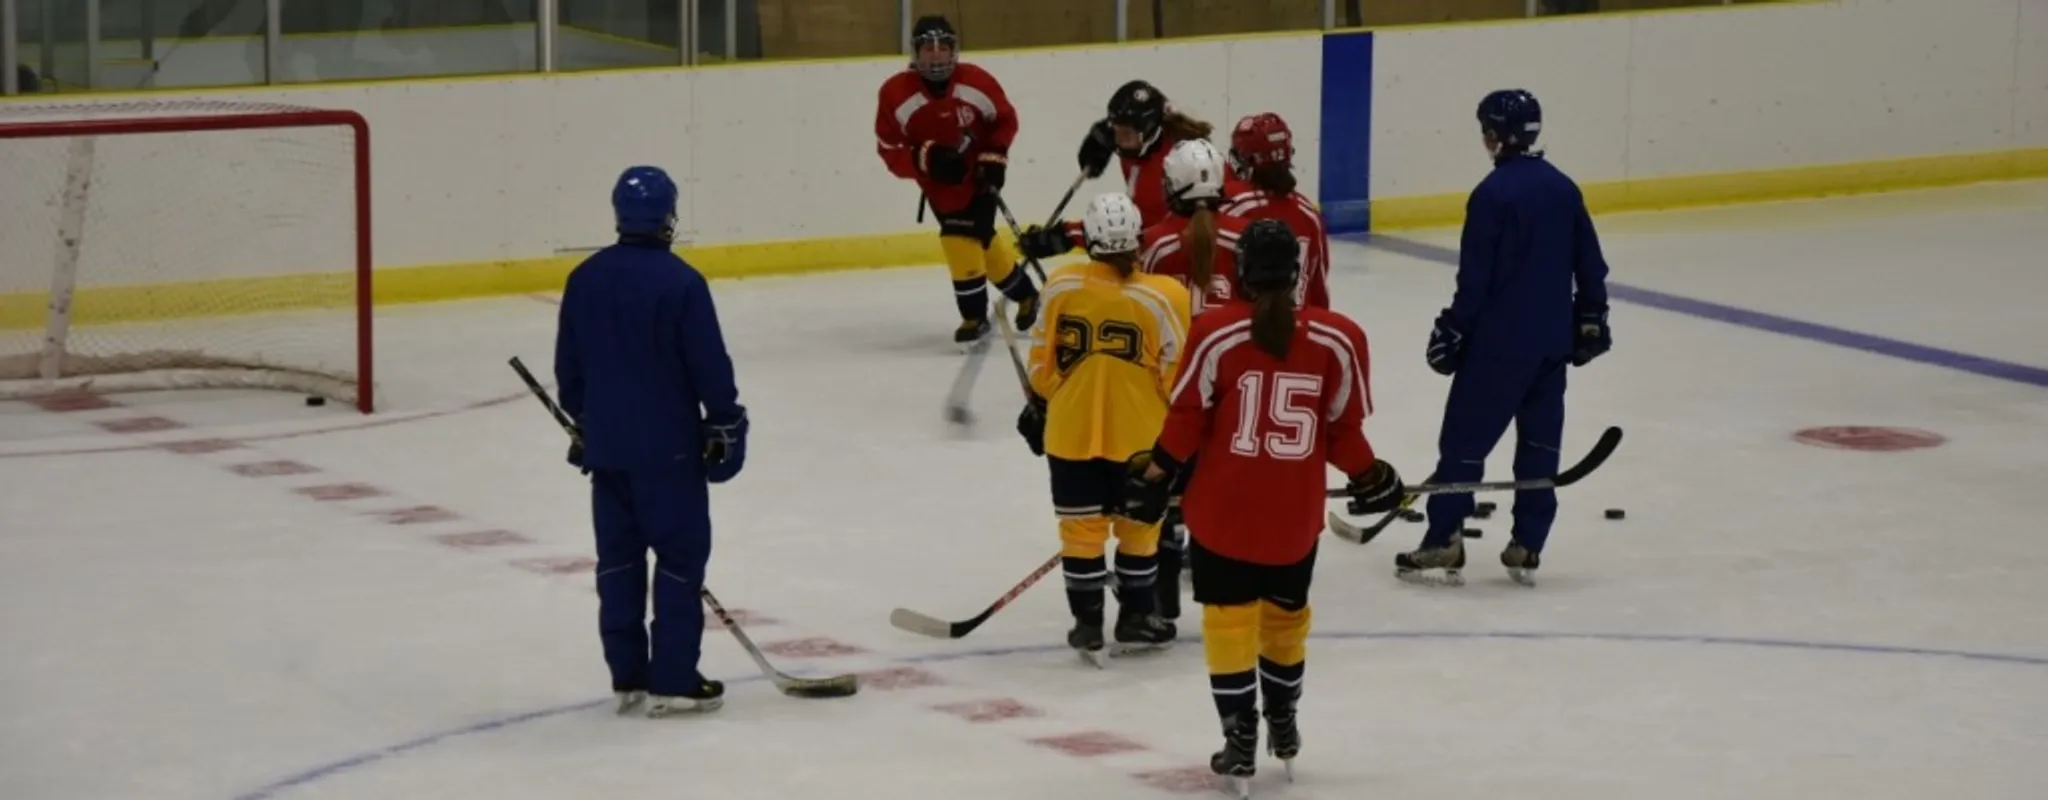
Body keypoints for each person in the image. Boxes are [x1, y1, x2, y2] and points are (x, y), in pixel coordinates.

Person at [1121, 218, 1404, 793]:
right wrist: (1375, 477)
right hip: (1293, 519)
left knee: (1229, 622)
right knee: (1284, 619)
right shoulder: (1339, 336)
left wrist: (1154, 474)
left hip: (1221, 513)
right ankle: (1284, 717)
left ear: (1241, 272)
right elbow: (1343, 436)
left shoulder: (1215, 331)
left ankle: (1239, 737)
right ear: (1297, 273)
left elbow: (1185, 422)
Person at [553, 165, 750, 718]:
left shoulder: (584, 277)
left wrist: (587, 422)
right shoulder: (682, 282)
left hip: (609, 450)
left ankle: (628, 676)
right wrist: (727, 422)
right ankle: (673, 677)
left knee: (617, 560)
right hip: (670, 450)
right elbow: (710, 366)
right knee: (679, 559)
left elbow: (569, 372)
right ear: (668, 216)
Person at [1400, 89, 1611, 587]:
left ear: (1496, 133)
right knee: (1540, 442)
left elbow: (1475, 281)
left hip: (1498, 346)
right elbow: (1591, 265)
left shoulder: (1493, 194)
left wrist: (1452, 328)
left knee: (1464, 443)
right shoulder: (1563, 188)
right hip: (1551, 343)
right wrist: (1591, 318)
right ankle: (1528, 542)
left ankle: (1444, 538)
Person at [1014, 192, 1192, 665]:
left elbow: (1040, 363)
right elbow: (1178, 377)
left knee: (1080, 530)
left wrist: (1047, 401)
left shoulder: (1060, 284)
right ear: (1136, 240)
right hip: (1140, 437)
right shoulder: (1166, 294)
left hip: (1070, 433)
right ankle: (1135, 616)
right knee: (1139, 529)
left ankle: (1087, 623)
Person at [1131, 137, 1250, 625]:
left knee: (1164, 486)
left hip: (1173, 390)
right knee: (1220, 486)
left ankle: (1160, 602)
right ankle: (1223, 582)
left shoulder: (1155, 241)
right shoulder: (1247, 236)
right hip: (1232, 385)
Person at [873, 14, 1039, 348]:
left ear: (954, 51)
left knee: (960, 238)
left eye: (943, 48)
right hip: (939, 187)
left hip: (979, 179)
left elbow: (1005, 120)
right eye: (928, 49)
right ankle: (1026, 294)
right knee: (983, 239)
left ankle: (973, 315)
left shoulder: (977, 82)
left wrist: (993, 157)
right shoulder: (895, 93)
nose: (936, 56)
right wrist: (926, 159)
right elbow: (890, 149)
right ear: (915, 54)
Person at [1013, 82, 1217, 265]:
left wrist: (1067, 236)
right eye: (1116, 131)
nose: (1118, 141)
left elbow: (1131, 238)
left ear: (1150, 130)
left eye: (1125, 134)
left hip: (1176, 259)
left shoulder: (1174, 168)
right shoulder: (1143, 142)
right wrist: (1104, 132)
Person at [1221, 112, 1330, 310]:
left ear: (1250, 160)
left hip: (1239, 330)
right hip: (1294, 329)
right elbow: (1318, 291)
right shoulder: (1309, 214)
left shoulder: (1230, 203)